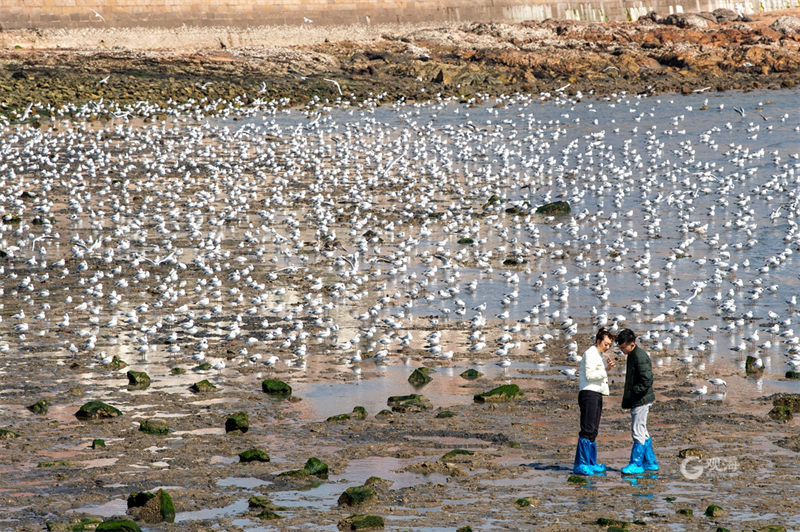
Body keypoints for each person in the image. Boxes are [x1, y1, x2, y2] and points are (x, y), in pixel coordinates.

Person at [573, 328, 615, 476]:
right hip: (588, 393)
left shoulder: (600, 355)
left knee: (594, 430)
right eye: (606, 344)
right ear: (598, 341)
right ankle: (582, 464)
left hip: (597, 393)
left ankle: (591, 462)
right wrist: (606, 369)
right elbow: (590, 376)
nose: (608, 347)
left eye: (610, 344)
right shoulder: (590, 353)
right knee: (587, 429)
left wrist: (605, 367)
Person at [617, 328, 658, 474]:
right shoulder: (633, 355)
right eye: (620, 348)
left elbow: (647, 379)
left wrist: (634, 392)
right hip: (640, 398)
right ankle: (650, 462)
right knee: (642, 430)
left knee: (637, 431)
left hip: (641, 400)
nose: (622, 350)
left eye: (623, 347)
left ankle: (636, 463)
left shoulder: (639, 356)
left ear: (632, 344)